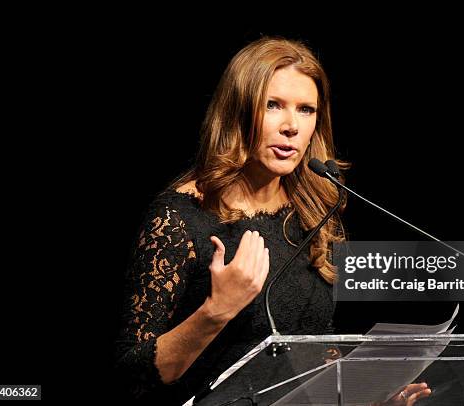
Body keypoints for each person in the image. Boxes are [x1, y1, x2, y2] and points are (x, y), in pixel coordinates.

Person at [114, 37, 431, 405]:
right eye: (273, 105)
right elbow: (130, 373)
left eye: (306, 110)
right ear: (238, 111)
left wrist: (368, 398)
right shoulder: (178, 218)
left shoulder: (315, 210)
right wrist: (217, 310)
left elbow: (314, 347)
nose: (291, 126)